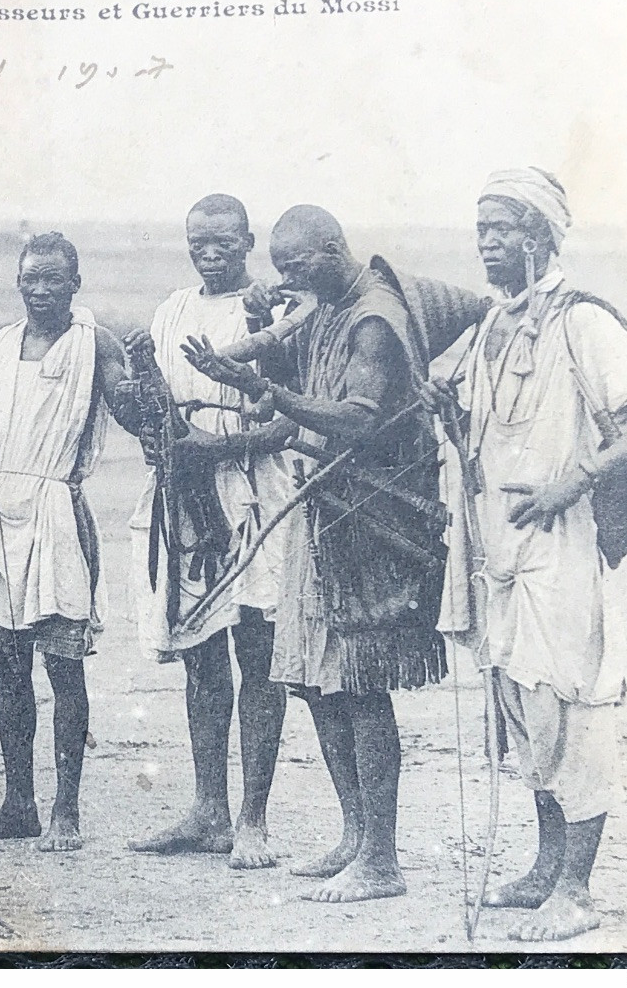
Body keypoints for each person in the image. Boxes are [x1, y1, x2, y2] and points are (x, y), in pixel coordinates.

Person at [183, 205, 485, 902]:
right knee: (317, 679)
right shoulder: (323, 302)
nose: (287, 278)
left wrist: (264, 389)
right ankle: (354, 835)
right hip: (323, 512)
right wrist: (259, 334)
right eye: (280, 268)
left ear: (332, 248)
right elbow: (298, 373)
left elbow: (356, 418)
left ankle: (381, 860)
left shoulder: (373, 318)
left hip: (371, 519)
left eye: (295, 267)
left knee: (358, 682)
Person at [433, 169, 627, 941]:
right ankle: (539, 870)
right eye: (480, 229)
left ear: (541, 235)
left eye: (502, 227)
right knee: (523, 709)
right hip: (496, 554)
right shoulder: (488, 328)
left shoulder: (583, 323)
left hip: (562, 551)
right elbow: (477, 431)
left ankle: (575, 890)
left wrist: (574, 482)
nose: (487, 241)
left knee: (573, 707)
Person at [0, 231, 137, 852]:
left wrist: (140, 383)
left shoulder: (94, 343)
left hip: (56, 513)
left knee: (64, 667)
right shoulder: (1, 345)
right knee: (8, 668)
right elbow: (2, 438)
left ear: (74, 284)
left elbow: (130, 411)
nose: (42, 290)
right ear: (18, 283)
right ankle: (17, 803)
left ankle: (66, 811)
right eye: (31, 280)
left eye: (54, 279)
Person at [120, 195, 293, 868]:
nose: (209, 250)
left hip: (252, 488)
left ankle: (252, 819)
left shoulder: (272, 312)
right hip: (185, 495)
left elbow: (288, 422)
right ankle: (206, 809)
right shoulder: (173, 310)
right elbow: (154, 406)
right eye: (198, 240)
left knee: (257, 647)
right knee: (198, 650)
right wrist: (154, 428)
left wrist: (212, 449)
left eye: (223, 240)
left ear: (247, 241)